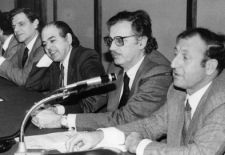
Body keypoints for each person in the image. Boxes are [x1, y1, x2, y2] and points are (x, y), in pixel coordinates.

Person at [65, 28, 225, 155]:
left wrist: (140, 146)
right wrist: (99, 136)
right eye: (176, 54)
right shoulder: (179, 91)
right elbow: (150, 125)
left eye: (185, 58)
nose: (174, 64)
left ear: (210, 66)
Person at [31, 10, 172, 130]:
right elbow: (94, 101)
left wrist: (62, 121)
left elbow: (127, 119)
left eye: (120, 41)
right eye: (110, 41)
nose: (111, 48)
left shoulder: (158, 72)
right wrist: (57, 110)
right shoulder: (116, 67)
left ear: (141, 41)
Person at [26, 21, 107, 114]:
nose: (47, 47)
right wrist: (48, 55)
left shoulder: (85, 57)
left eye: (52, 41)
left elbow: (97, 95)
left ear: (68, 39)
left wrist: (58, 109)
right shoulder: (56, 63)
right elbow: (32, 84)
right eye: (44, 44)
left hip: (87, 120)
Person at [0, 8, 45, 86]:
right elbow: (11, 69)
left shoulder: (43, 46)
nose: (16, 30)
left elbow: (23, 79)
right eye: (14, 26)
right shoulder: (22, 45)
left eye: (21, 24)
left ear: (35, 23)